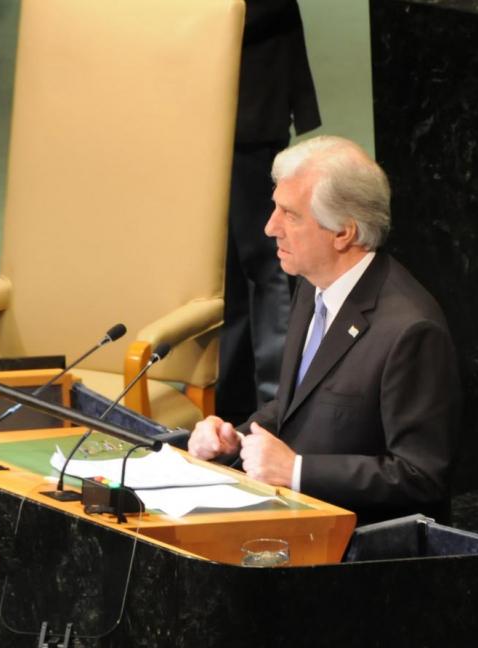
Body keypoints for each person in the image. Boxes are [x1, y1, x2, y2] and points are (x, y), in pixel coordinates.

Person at [191, 136, 460, 523]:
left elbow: (422, 474)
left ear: (343, 233)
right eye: (275, 209)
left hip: (361, 552)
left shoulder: (410, 330)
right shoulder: (313, 287)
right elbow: (298, 404)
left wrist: (296, 471)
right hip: (300, 520)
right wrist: (234, 437)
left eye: (290, 214)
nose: (270, 228)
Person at [217, 0, 322, 425]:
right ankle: (234, 394)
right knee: (228, 267)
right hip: (213, 106)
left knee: (269, 256)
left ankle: (278, 403)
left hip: (250, 110)